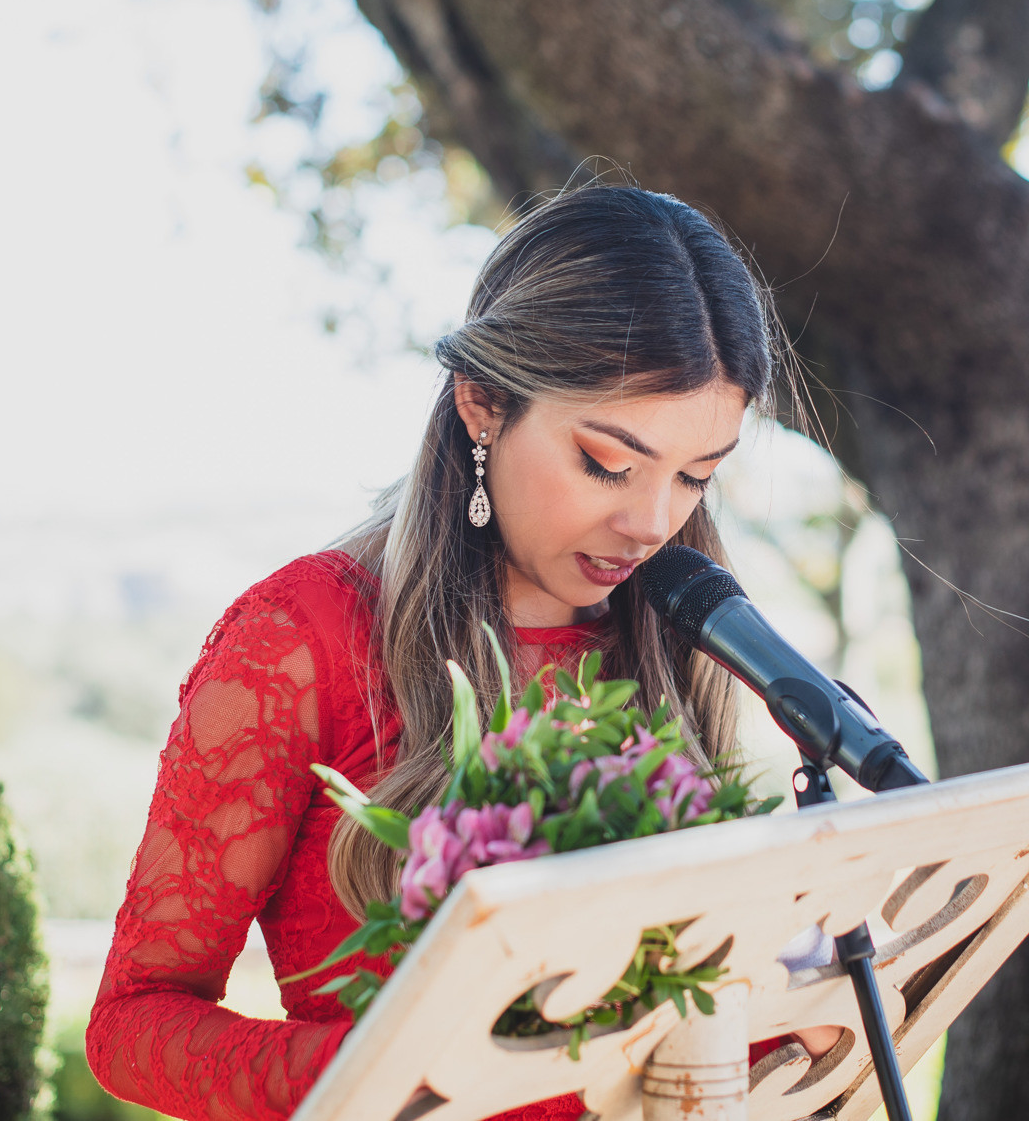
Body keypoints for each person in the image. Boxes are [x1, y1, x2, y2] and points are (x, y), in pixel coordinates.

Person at [86, 183, 795, 1121]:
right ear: (483, 401)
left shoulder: (674, 625)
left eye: (697, 475)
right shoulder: (302, 638)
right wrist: (385, 1073)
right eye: (608, 464)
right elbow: (133, 1023)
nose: (653, 522)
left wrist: (798, 1013)